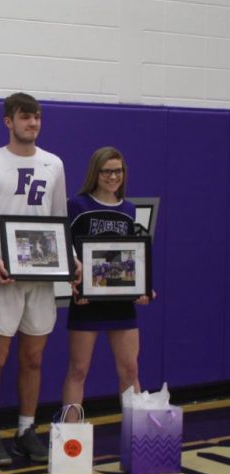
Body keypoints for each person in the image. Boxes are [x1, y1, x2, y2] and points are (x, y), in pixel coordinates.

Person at [0, 92, 74, 466]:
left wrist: (72, 259)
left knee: (33, 358)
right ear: (8, 121)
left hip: (42, 278)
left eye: (37, 117)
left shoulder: (54, 164)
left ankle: (26, 429)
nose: (32, 123)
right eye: (25, 117)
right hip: (7, 278)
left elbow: (58, 219)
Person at [61, 147, 150, 418]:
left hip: (120, 302)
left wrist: (142, 285)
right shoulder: (77, 205)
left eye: (118, 171)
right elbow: (66, 249)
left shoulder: (129, 209)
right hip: (86, 301)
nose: (113, 176)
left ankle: (137, 438)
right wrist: (76, 282)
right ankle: (70, 437)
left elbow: (131, 255)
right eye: (107, 171)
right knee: (78, 369)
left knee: (130, 369)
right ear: (95, 173)